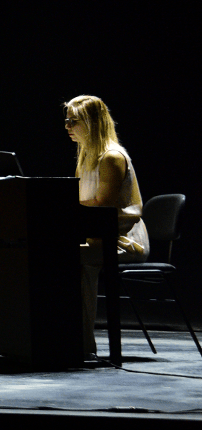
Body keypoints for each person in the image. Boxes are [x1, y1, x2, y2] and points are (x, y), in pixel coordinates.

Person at [65, 94, 148, 355]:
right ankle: (61, 336)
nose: (67, 126)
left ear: (91, 123)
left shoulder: (111, 157)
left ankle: (81, 344)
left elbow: (103, 207)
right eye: (66, 120)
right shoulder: (86, 158)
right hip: (97, 235)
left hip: (123, 239)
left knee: (75, 257)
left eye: (73, 121)